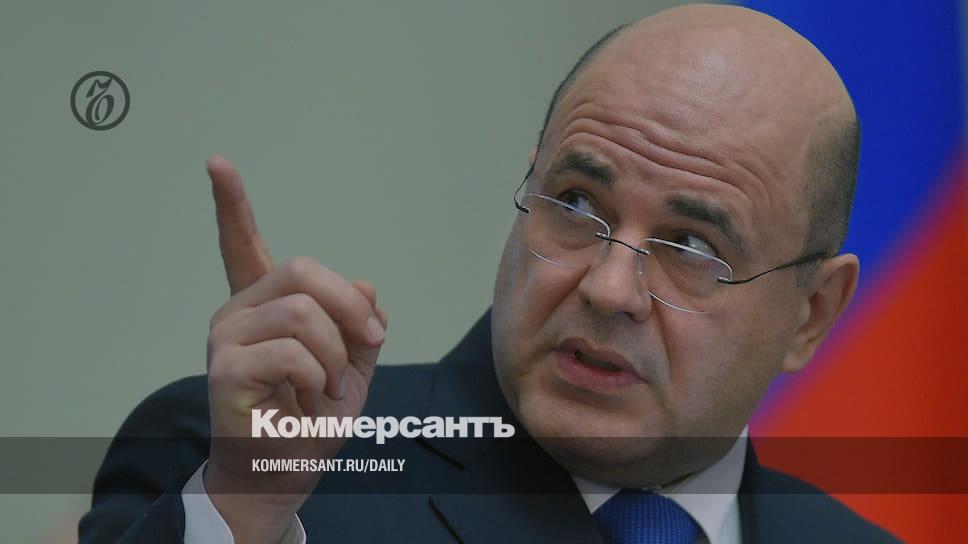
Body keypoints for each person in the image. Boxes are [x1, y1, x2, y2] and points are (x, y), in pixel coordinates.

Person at [79, 4, 901, 543]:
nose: (608, 289)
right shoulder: (256, 470)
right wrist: (243, 512)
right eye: (575, 203)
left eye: (690, 246)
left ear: (810, 315)